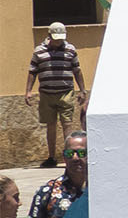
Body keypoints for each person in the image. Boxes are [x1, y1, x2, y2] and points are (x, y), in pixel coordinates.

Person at [24, 22, 84, 169]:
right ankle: (51, 157)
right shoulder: (39, 51)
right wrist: (28, 91)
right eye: (56, 38)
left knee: (67, 125)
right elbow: (32, 71)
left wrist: (82, 90)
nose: (59, 42)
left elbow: (77, 70)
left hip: (66, 92)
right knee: (50, 125)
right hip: (46, 93)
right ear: (49, 36)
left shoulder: (70, 49)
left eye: (61, 38)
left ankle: (69, 156)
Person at [28, 132, 87, 218]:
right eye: (70, 154)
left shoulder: (100, 192)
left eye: (82, 153)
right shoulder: (47, 192)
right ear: (64, 157)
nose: (76, 158)